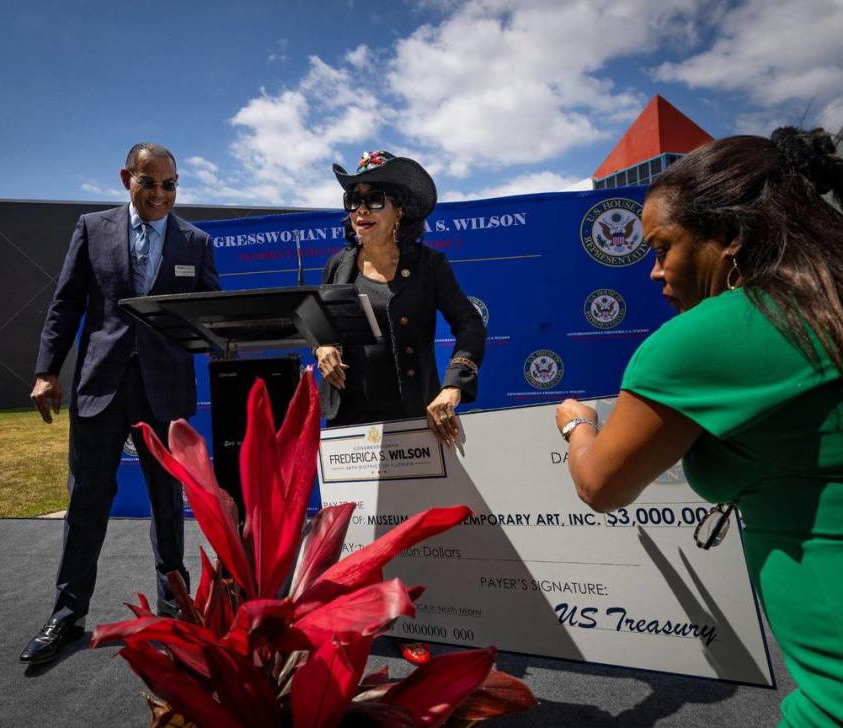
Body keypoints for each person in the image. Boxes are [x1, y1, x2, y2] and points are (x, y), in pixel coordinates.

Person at [555, 127, 843, 726]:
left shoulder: (702, 338)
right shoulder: (826, 303)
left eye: (664, 249)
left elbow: (600, 485)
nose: (655, 273)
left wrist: (576, 425)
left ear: (732, 237)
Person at [20, 143, 220, 665]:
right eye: (149, 182)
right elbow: (66, 304)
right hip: (100, 388)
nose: (160, 194)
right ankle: (66, 615)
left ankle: (174, 613)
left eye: (170, 185)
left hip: (165, 392)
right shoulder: (92, 228)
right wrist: (46, 371)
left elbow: (209, 318)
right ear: (126, 178)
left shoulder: (195, 242)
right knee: (86, 503)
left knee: (166, 505)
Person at [317, 150, 485, 445]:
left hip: (411, 414)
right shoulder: (336, 265)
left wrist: (453, 385)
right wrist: (323, 348)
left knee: (421, 494)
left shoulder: (429, 264)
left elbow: (470, 324)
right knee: (353, 495)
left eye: (374, 199)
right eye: (354, 200)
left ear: (400, 210)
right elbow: (320, 325)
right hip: (348, 419)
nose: (361, 210)